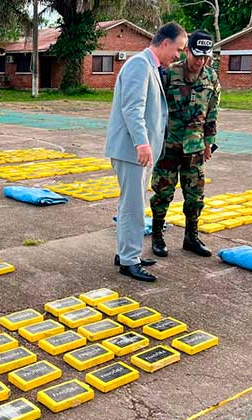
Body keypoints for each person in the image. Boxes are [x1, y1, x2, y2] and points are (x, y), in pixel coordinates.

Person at [104, 22, 187, 282]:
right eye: (178, 49)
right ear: (165, 43)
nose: (178, 55)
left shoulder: (150, 66)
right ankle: (129, 260)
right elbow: (132, 108)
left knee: (131, 204)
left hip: (137, 151)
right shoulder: (139, 65)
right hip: (132, 151)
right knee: (133, 207)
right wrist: (142, 143)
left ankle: (126, 253)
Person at [151, 30, 220, 258]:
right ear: (187, 51)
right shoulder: (169, 73)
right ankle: (157, 236)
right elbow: (155, 107)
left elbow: (212, 112)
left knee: (195, 197)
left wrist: (209, 142)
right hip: (169, 146)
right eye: (197, 56)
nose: (200, 61)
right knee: (162, 194)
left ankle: (191, 237)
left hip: (195, 148)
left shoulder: (211, 77)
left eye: (205, 57)